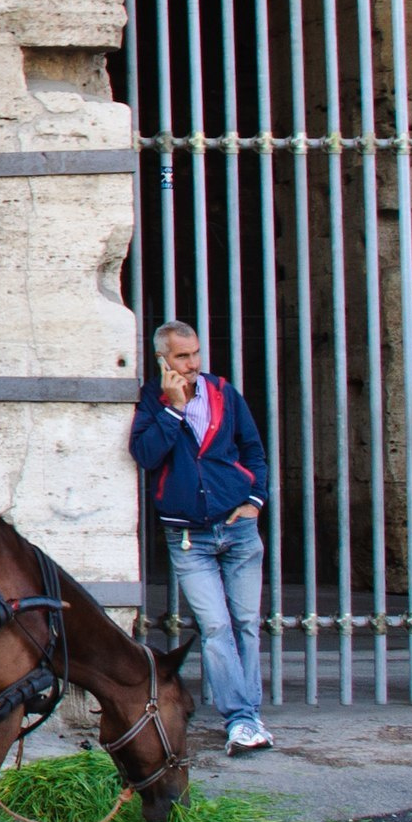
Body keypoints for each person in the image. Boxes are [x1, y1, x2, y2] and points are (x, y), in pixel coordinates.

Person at [129, 319, 273, 756]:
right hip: (189, 537)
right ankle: (243, 719)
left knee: (246, 623)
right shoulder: (151, 403)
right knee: (215, 626)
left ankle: (247, 716)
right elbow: (145, 454)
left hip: (239, 527)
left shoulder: (224, 394)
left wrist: (254, 499)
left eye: (195, 354)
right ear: (162, 359)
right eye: (182, 356)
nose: (192, 364)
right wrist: (173, 409)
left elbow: (253, 449)